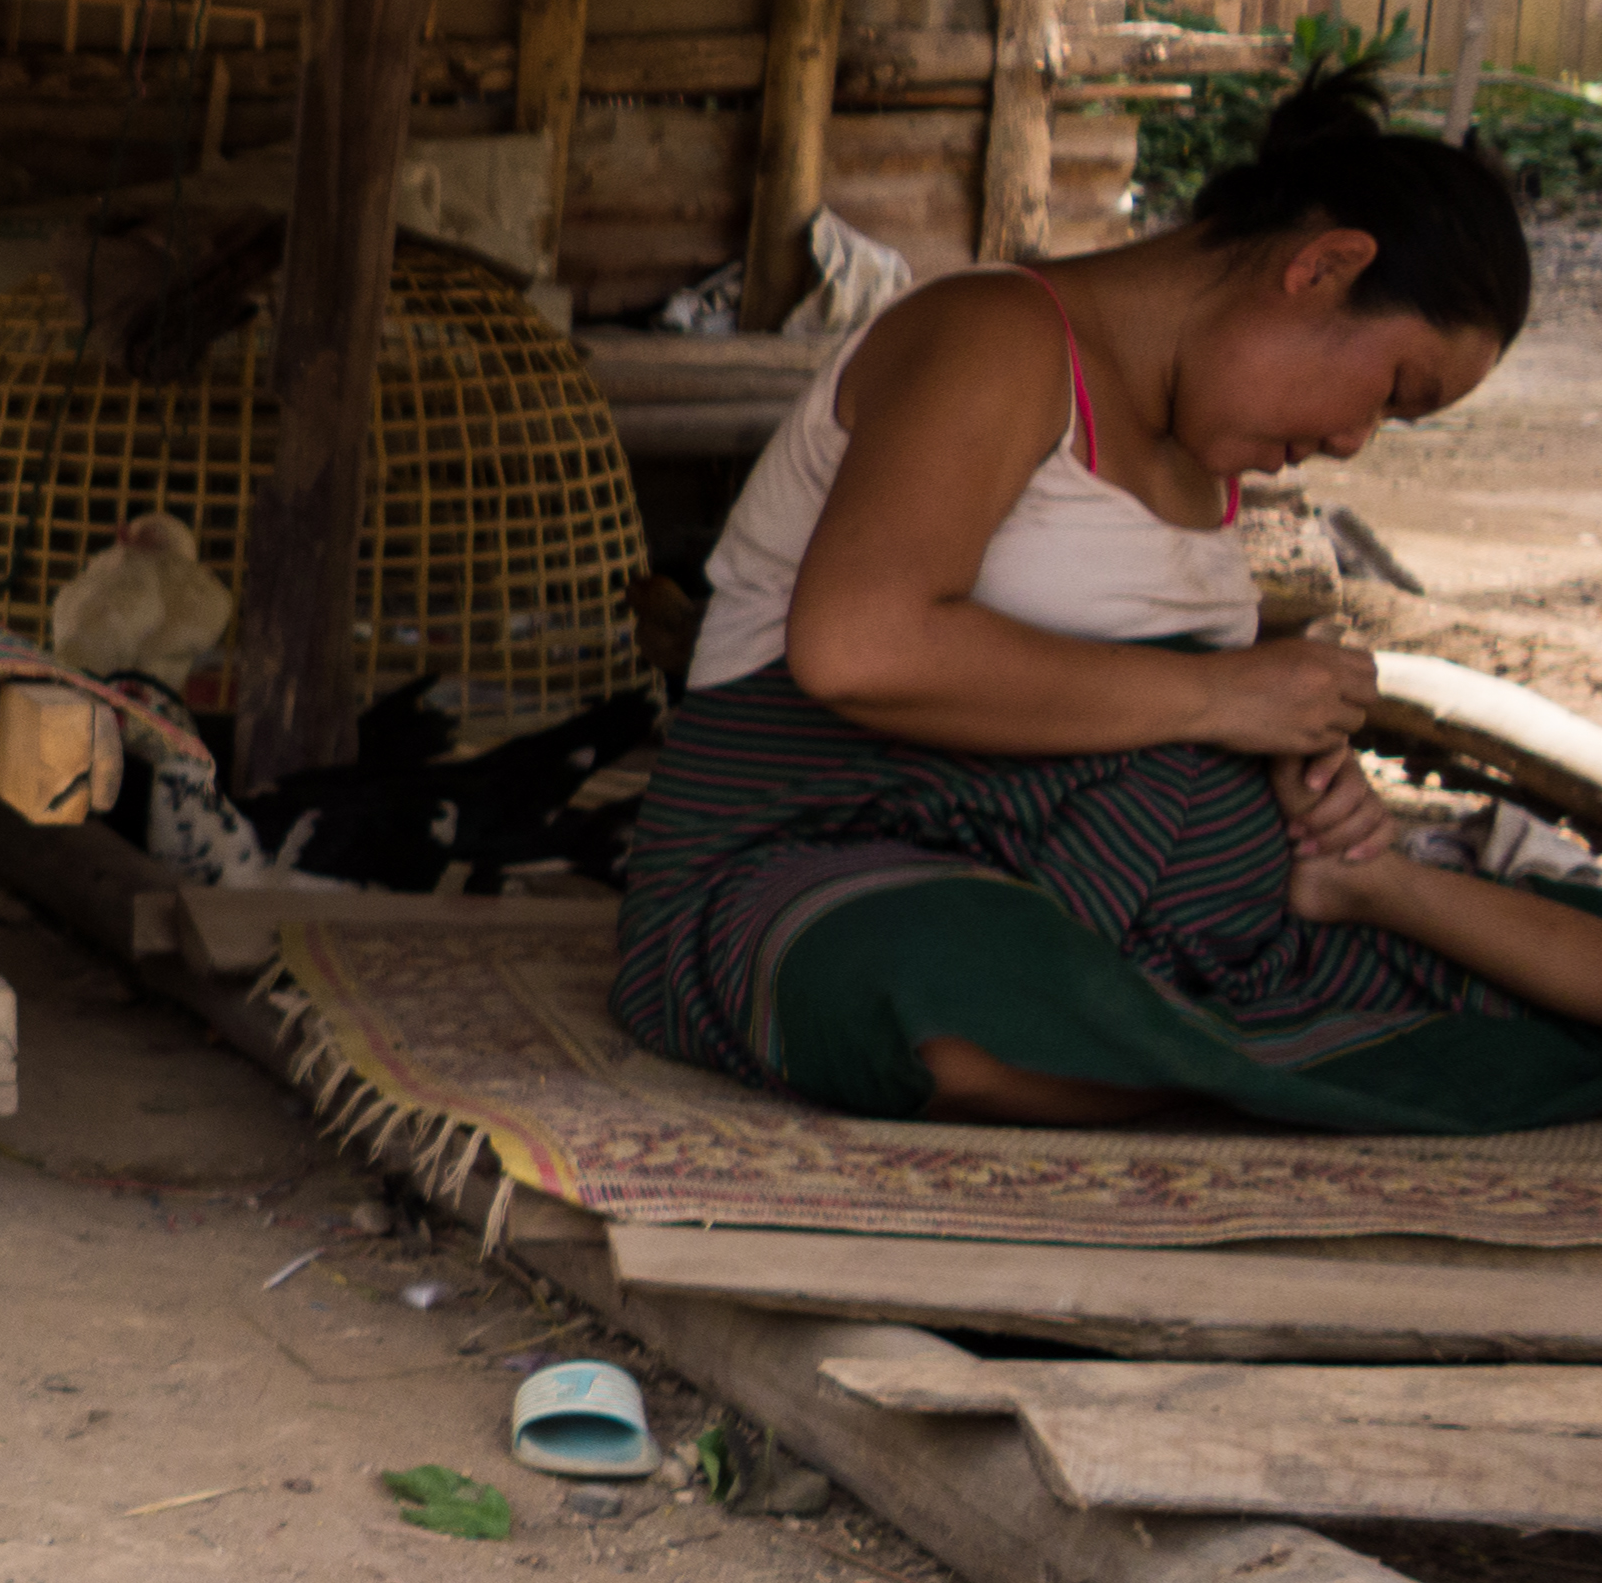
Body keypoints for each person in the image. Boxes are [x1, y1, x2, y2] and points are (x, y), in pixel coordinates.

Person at [616, 74, 1602, 1131]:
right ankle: (1221, 1056)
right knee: (938, 1002)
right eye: (1391, 391)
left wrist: (1325, 805)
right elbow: (860, 648)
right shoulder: (999, 337)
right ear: (1322, 267)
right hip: (828, 853)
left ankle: (1193, 1044)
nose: (1358, 439)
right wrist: (1218, 699)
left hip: (1167, 919)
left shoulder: (1206, 450)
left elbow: (1143, 699)